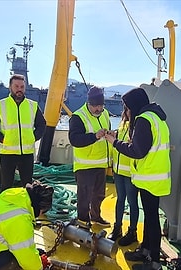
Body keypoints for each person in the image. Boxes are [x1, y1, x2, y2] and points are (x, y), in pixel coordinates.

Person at [105, 87, 171, 270]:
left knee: (151, 220)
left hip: (149, 177)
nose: (126, 112)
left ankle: (154, 262)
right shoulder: (157, 118)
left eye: (127, 107)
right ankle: (146, 250)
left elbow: (137, 151)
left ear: (133, 105)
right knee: (151, 217)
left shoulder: (143, 120)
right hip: (156, 176)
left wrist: (115, 143)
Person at [0, 74, 46, 191]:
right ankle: (7, 208)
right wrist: (0, 138)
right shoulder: (0, 105)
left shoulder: (33, 106)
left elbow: (42, 124)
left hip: (27, 154)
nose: (19, 89)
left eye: (22, 87)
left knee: (28, 187)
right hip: (8, 154)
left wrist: (34, 137)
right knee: (6, 187)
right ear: (10, 87)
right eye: (16, 86)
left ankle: (26, 208)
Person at [68, 86, 112, 227]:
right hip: (85, 165)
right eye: (94, 106)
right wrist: (94, 136)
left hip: (101, 164)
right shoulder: (78, 117)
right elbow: (74, 140)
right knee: (84, 197)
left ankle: (96, 216)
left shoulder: (105, 114)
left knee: (99, 194)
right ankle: (83, 220)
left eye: (100, 105)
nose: (98, 109)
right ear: (88, 103)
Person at [107, 111, 139, 246]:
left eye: (128, 109)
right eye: (125, 109)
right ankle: (117, 228)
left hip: (130, 172)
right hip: (118, 170)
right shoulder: (122, 125)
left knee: (132, 202)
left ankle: (132, 232)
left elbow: (135, 149)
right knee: (120, 200)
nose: (126, 112)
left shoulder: (137, 126)